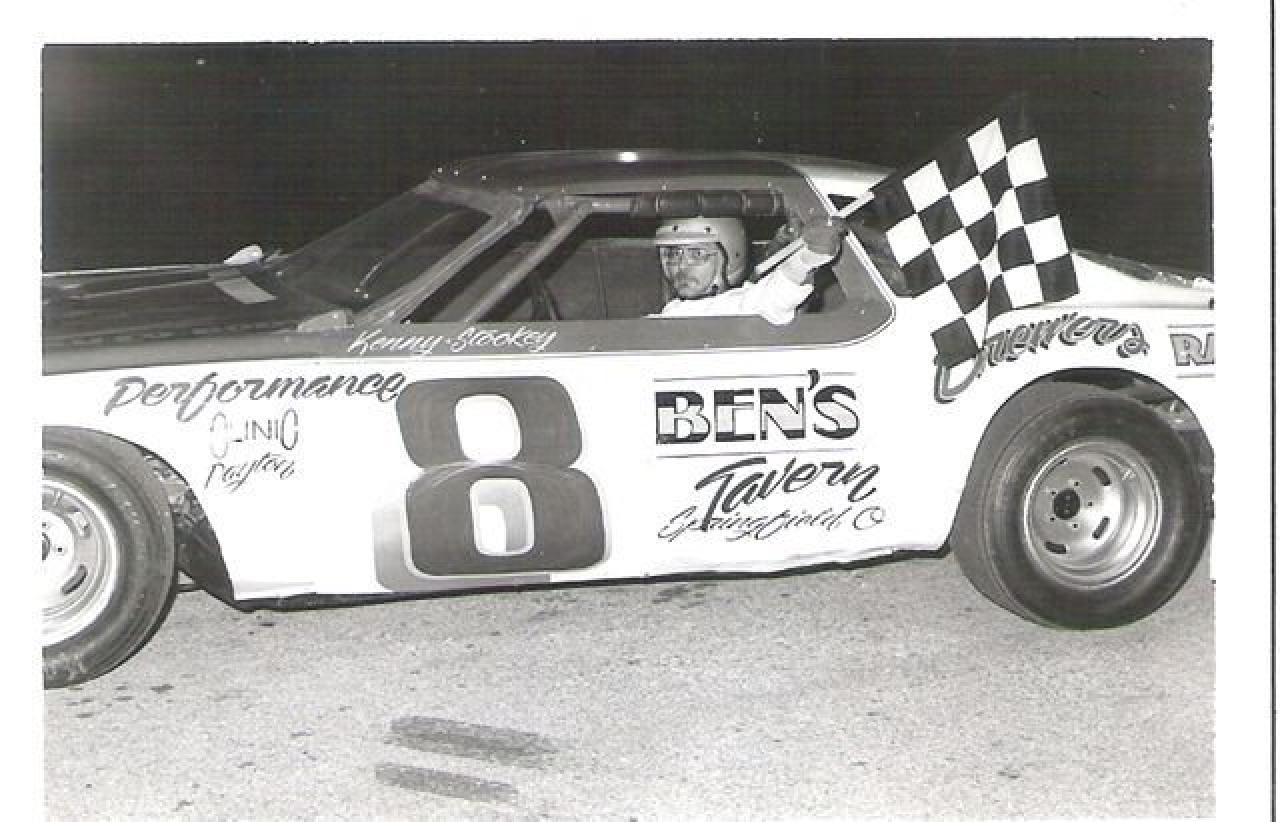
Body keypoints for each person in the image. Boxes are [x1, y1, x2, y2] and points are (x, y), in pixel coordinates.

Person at [654, 216, 846, 325]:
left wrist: (806, 258)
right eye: (672, 254)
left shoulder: (740, 305)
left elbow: (771, 296)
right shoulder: (673, 311)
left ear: (730, 256)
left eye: (697, 254)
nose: (681, 266)